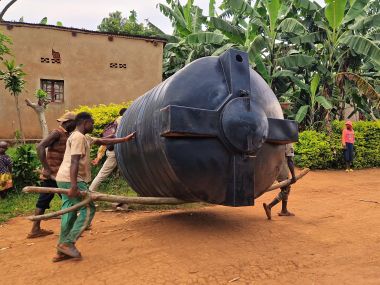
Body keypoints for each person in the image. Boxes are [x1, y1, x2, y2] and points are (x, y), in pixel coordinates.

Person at [53, 112, 135, 262]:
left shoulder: (83, 137)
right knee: (89, 208)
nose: (93, 125)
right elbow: (75, 162)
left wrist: (124, 139)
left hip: (62, 178)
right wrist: (73, 185)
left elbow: (102, 140)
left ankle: (61, 249)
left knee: (69, 212)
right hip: (73, 180)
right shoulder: (78, 137)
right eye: (91, 123)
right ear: (84, 123)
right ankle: (67, 243)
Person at [27, 112, 76, 238]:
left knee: (67, 199)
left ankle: (35, 229)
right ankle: (36, 229)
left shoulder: (67, 134)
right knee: (66, 200)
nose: (76, 126)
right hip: (52, 175)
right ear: (68, 122)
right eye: (74, 123)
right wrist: (47, 169)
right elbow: (40, 147)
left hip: (59, 175)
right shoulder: (57, 133)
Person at [89, 108, 127, 192]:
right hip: (116, 152)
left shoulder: (114, 123)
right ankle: (90, 192)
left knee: (104, 174)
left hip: (112, 151)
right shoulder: (124, 120)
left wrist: (99, 157)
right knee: (103, 174)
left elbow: (104, 141)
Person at [263, 143, 297, 220]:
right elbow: (290, 160)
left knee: (285, 188)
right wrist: (293, 176)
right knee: (286, 189)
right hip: (282, 169)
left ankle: (284, 210)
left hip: (273, 167)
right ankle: (270, 206)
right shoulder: (288, 142)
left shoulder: (278, 139)